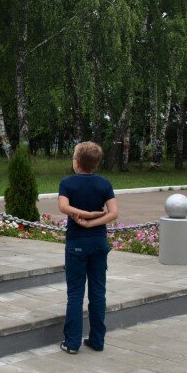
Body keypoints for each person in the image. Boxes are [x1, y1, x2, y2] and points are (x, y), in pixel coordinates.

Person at [57, 141, 118, 354]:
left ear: (76, 162)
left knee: (75, 294)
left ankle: (72, 343)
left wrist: (82, 218)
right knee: (98, 292)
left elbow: (63, 206)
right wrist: (92, 217)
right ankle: (97, 340)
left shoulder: (67, 182)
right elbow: (113, 213)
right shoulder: (104, 183)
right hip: (99, 243)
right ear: (96, 163)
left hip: (76, 243)